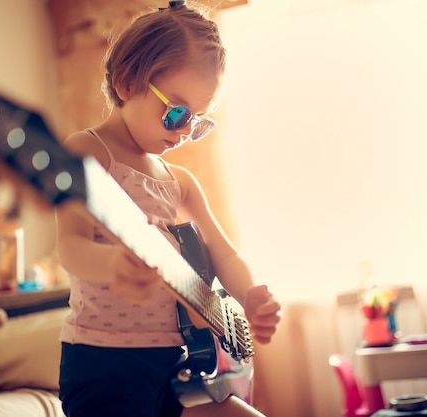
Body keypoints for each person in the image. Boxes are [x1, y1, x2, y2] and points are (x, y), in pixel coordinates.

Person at [55, 1, 281, 416]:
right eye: (176, 113)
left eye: (195, 122)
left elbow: (224, 252)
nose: (181, 133)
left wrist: (249, 296)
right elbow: (70, 246)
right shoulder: (89, 153)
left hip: (178, 364)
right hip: (103, 362)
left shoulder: (181, 183)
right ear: (126, 81)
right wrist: (113, 263)